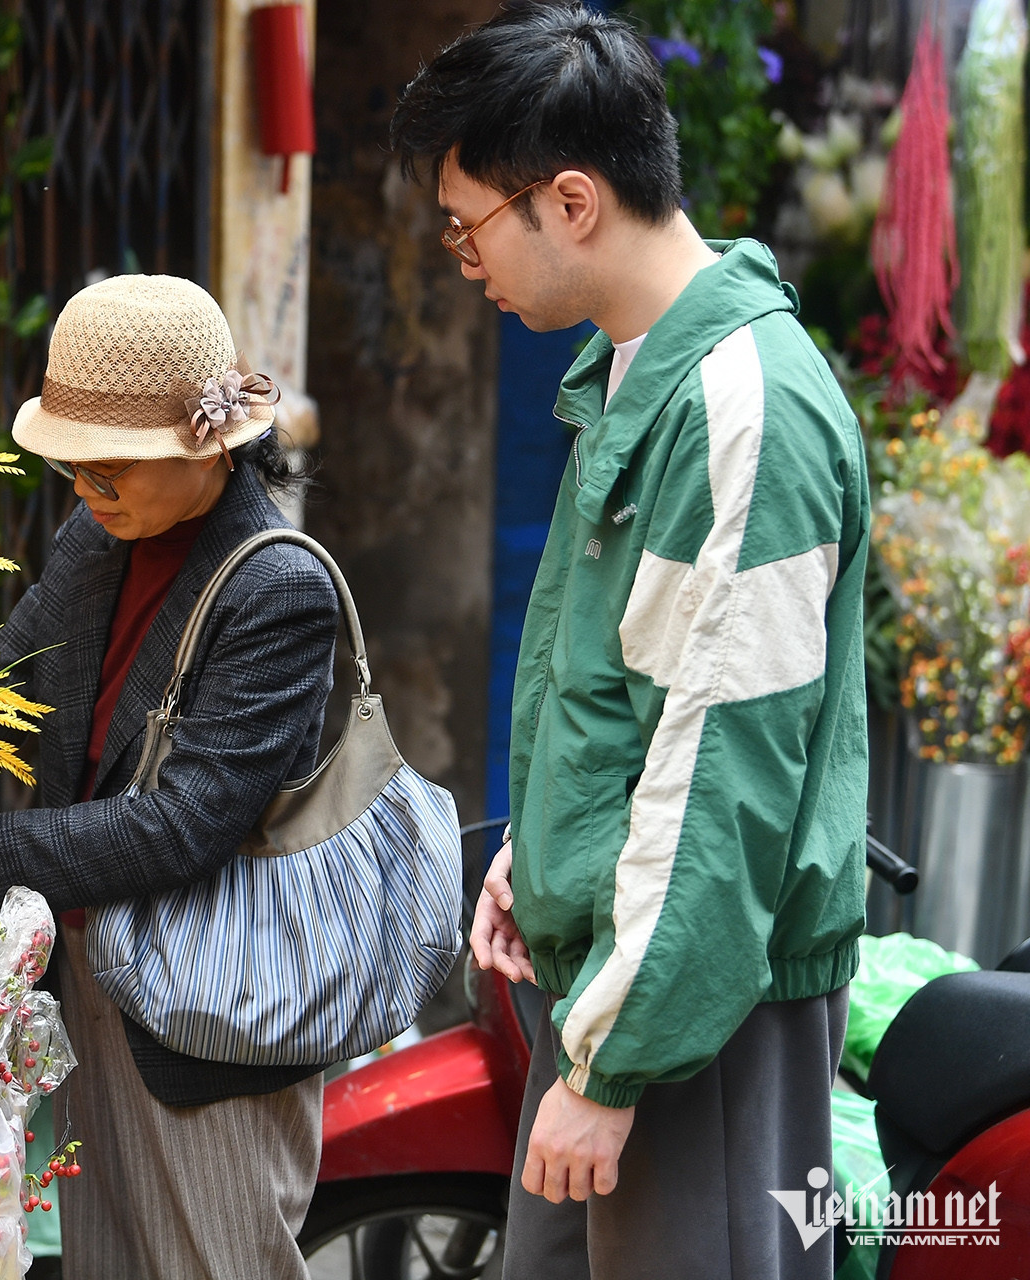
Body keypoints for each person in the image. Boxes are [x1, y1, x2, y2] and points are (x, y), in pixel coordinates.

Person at [388, 5, 869, 1278]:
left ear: (573, 200)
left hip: (701, 1019)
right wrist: (536, 860)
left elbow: (722, 775)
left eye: (467, 224)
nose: (462, 259)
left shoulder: (742, 406)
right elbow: (621, 696)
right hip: (626, 983)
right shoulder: (627, 376)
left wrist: (615, 1063)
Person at [0, 273, 339, 1280]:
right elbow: (4, 702)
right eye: (75, 470)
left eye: (110, 471)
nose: (86, 490)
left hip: (214, 1013)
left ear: (208, 447)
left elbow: (184, 824)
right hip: (97, 982)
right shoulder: (97, 537)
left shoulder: (280, 586)